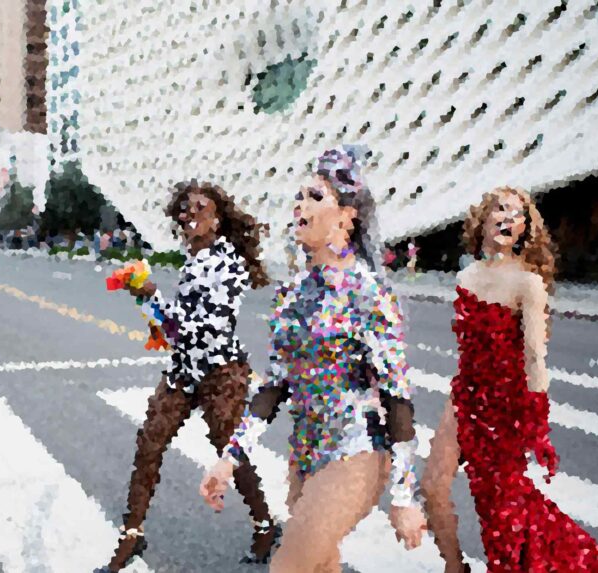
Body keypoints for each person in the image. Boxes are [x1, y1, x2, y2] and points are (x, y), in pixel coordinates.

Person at [200, 147, 427, 572]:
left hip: (355, 452)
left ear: (346, 217)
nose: (300, 206)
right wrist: (230, 457)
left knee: (289, 564)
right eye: (299, 196)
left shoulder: (367, 292)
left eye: (315, 197)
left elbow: (397, 397)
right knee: (320, 565)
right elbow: (274, 386)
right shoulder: (292, 293)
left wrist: (403, 496)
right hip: (304, 455)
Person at [421, 187, 598, 572]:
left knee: (502, 511)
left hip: (505, 405)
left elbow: (534, 356)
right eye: (501, 209)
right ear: (483, 218)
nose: (508, 218)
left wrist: (537, 423)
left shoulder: (529, 283)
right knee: (432, 487)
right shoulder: (466, 276)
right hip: (465, 396)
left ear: (525, 228)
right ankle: (454, 566)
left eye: (518, 214)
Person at [98, 180, 277, 571]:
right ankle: (131, 534)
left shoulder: (227, 262)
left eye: (200, 209)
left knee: (229, 450)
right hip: (183, 370)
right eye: (185, 209)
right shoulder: (194, 259)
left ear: (217, 220)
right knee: (149, 444)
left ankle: (265, 525)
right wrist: (145, 298)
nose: (189, 215)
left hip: (219, 373)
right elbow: (172, 331)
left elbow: (206, 328)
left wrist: (152, 296)